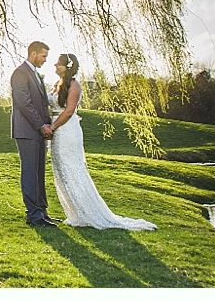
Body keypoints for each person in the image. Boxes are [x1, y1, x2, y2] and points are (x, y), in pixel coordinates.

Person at [48, 53, 156, 230]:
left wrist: (52, 127)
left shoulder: (74, 85)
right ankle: (76, 213)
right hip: (58, 131)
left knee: (72, 169)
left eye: (58, 64)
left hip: (66, 131)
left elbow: (68, 112)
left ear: (66, 67)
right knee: (61, 170)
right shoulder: (57, 85)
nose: (55, 66)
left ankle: (88, 213)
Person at [10, 41, 57, 227]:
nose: (45, 60)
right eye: (43, 56)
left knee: (39, 172)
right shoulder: (20, 73)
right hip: (27, 131)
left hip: (38, 131)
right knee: (30, 172)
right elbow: (25, 103)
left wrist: (48, 124)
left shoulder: (35, 74)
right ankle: (33, 215)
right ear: (33, 53)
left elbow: (40, 104)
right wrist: (41, 126)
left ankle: (42, 212)